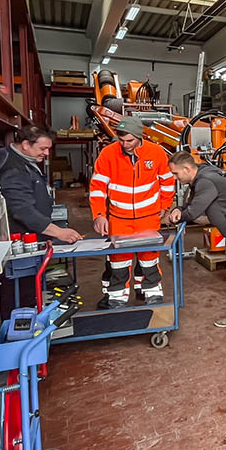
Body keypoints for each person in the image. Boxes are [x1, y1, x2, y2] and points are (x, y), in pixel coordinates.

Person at [165, 151, 226, 333]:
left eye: (175, 173)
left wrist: (179, 216)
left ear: (186, 168)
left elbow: (194, 212)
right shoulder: (199, 180)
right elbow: (191, 204)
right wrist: (178, 209)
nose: (174, 177)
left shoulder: (205, 181)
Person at [0, 125, 81, 319]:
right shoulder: (13, 168)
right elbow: (22, 209)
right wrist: (58, 232)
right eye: (43, 149)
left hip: (33, 239)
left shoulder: (22, 160)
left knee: (29, 293)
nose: (47, 153)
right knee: (21, 297)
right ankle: (21, 340)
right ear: (25, 144)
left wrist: (44, 235)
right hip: (20, 245)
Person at [89, 117, 175, 308]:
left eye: (130, 140)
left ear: (140, 137)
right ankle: (117, 299)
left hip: (149, 218)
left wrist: (165, 205)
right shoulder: (108, 154)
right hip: (118, 219)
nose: (125, 144)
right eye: (121, 140)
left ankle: (152, 294)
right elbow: (97, 187)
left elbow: (167, 182)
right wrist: (99, 215)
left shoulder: (156, 152)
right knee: (118, 261)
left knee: (149, 258)